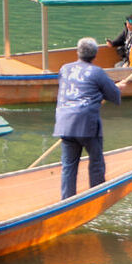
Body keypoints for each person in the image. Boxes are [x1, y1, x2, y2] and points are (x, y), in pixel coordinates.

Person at [52, 37, 123, 199]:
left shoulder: (64, 69)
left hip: (64, 123)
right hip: (86, 124)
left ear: (78, 52)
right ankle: (97, 198)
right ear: (95, 55)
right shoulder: (97, 71)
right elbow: (115, 97)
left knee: (68, 166)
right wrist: (117, 87)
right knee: (96, 162)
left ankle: (66, 201)